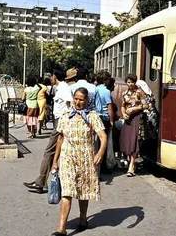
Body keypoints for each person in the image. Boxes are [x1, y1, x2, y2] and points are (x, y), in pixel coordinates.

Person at [51, 88, 107, 236]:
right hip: (67, 158)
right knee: (67, 192)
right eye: (76, 98)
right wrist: (55, 161)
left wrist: (100, 152)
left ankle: (83, 219)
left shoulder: (92, 116)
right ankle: (61, 229)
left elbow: (103, 136)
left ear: (87, 100)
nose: (77, 102)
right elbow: (60, 139)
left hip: (86, 159)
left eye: (81, 99)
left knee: (83, 191)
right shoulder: (65, 116)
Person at [23, 69, 73, 194]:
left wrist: (67, 120)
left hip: (60, 123)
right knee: (53, 153)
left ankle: (41, 182)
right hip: (59, 122)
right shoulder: (60, 87)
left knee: (49, 152)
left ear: (54, 76)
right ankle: (41, 182)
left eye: (51, 76)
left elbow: (71, 104)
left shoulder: (63, 88)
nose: (50, 78)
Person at [120, 74, 148, 177]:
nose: (130, 84)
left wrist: (134, 109)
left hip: (137, 118)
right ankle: (130, 163)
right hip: (128, 119)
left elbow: (146, 105)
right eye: (128, 82)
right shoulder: (125, 93)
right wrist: (123, 114)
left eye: (131, 82)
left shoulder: (140, 92)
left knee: (134, 141)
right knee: (127, 141)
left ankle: (131, 166)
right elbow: (123, 106)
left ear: (135, 82)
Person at [95, 71, 116, 172]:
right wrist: (111, 121)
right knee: (104, 143)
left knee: (96, 143)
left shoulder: (94, 89)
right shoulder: (106, 91)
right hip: (104, 118)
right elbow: (110, 107)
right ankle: (103, 167)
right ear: (105, 80)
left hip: (95, 117)